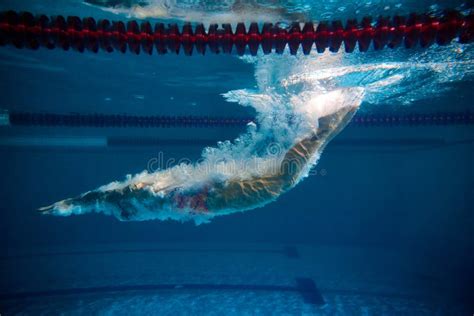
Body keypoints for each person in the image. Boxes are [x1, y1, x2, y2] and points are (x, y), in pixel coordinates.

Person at [39, 100, 358, 222]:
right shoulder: (131, 198)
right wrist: (69, 203)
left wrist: (70, 204)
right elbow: (103, 197)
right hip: (205, 196)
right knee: (278, 176)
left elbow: (104, 198)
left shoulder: (135, 202)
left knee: (282, 180)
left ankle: (322, 126)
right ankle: (319, 126)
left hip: (210, 200)